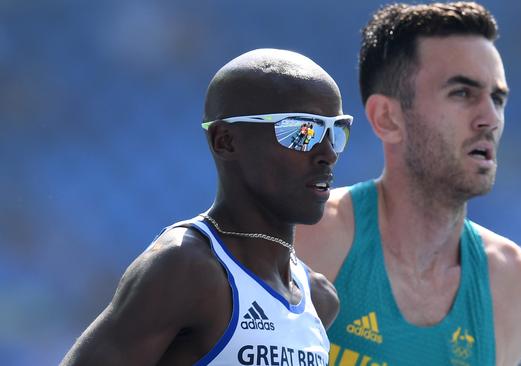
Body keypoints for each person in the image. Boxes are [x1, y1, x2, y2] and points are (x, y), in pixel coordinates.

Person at [61, 48, 355, 365]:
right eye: (302, 131)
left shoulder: (320, 299)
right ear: (225, 140)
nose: (328, 152)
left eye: (335, 130)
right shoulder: (184, 267)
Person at [295, 3, 521, 366]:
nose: (490, 118)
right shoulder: (308, 240)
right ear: (387, 118)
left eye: (498, 98)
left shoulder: (514, 285)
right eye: (462, 93)